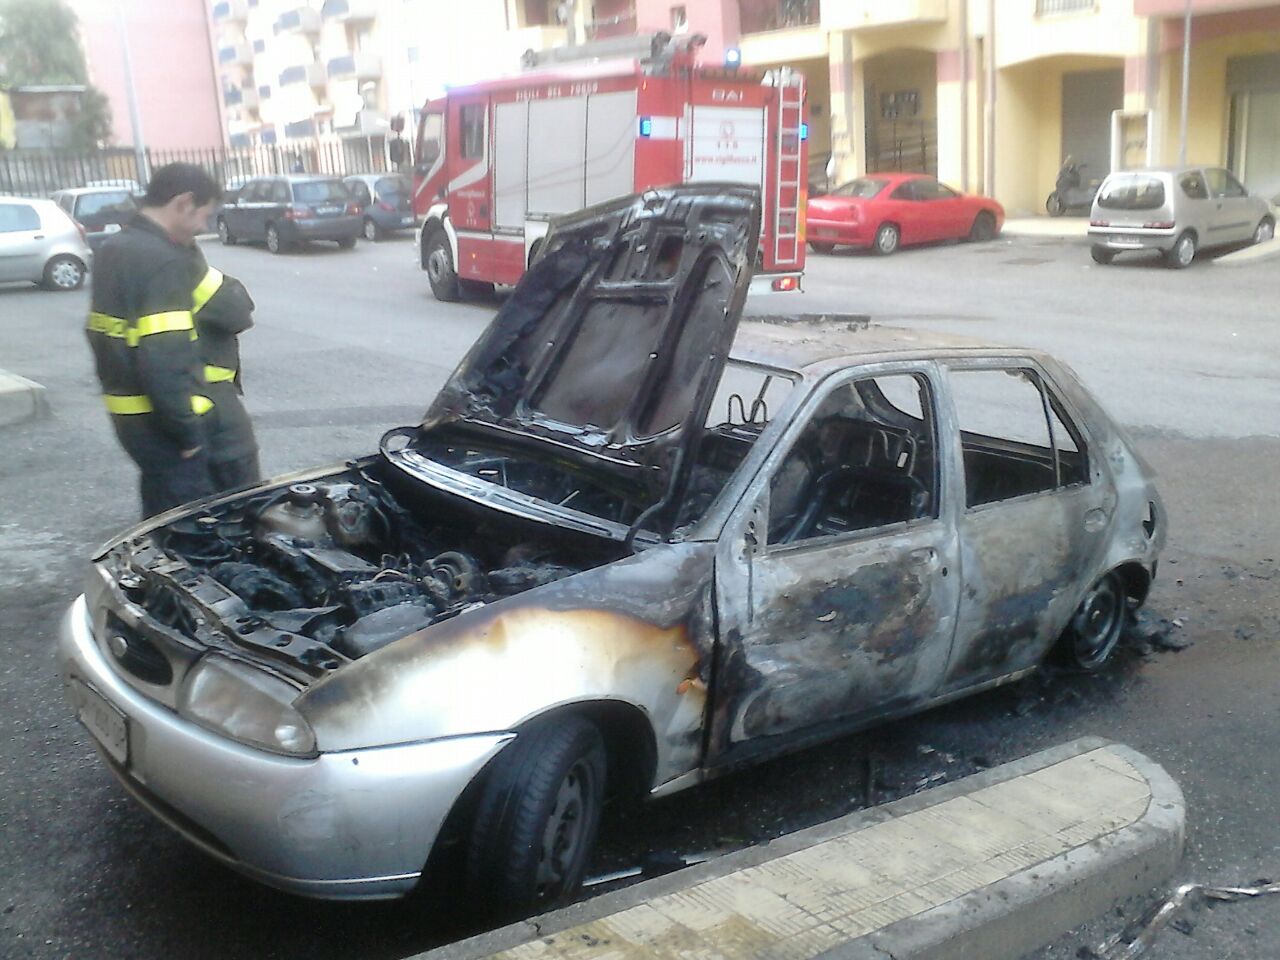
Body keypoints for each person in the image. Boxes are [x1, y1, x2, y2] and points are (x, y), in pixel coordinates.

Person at [86, 163, 221, 518]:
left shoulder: (115, 247)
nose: (203, 227)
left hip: (128, 414)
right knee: (190, 526)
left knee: (160, 511)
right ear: (184, 203)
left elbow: (103, 335)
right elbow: (164, 360)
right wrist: (188, 434)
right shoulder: (162, 261)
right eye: (203, 215)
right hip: (163, 423)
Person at [192, 267, 262, 492]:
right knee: (242, 495)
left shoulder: (122, 260)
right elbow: (238, 311)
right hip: (209, 398)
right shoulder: (179, 263)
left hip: (150, 405)